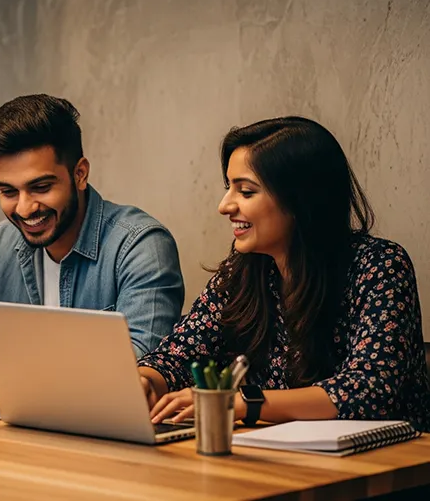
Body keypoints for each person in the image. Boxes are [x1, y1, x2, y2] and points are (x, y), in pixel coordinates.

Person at [139, 117, 430, 431]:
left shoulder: (380, 266)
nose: (225, 206)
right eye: (229, 188)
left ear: (300, 200)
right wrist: (147, 380)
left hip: (387, 468)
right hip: (278, 457)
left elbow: (368, 390)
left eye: (246, 192)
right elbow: (181, 352)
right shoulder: (244, 271)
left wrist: (241, 402)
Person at [0, 94, 184, 387]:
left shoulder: (141, 245)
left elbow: (142, 366)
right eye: (8, 192)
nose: (24, 209)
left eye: (40, 187)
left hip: (105, 438)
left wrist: (6, 367)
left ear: (80, 174)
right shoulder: (1, 244)